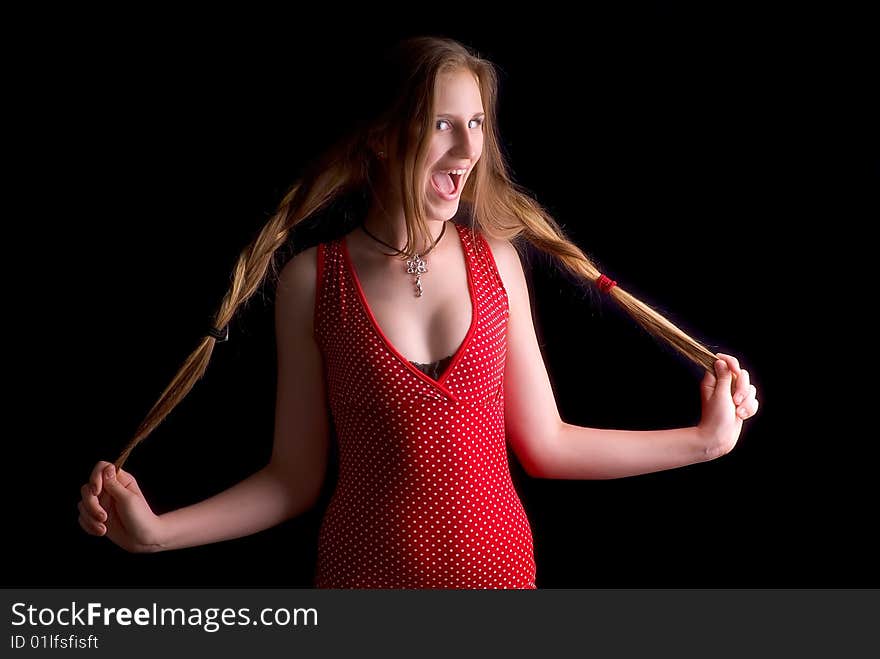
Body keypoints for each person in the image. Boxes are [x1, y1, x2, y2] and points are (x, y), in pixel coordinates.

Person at [77, 36, 759, 589]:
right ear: (380, 136)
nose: (467, 151)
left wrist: (708, 438)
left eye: (476, 125)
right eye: (441, 124)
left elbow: (548, 445)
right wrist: (158, 532)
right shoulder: (316, 283)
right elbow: (292, 478)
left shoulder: (498, 261)